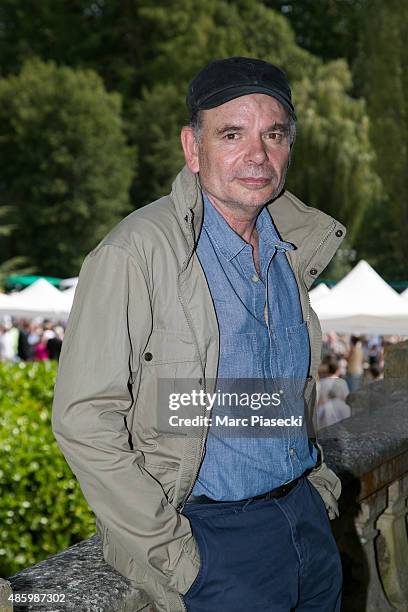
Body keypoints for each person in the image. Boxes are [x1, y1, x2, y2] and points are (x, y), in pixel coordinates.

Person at [52, 57, 346, 612]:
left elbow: (267, 397)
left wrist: (316, 489)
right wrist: (176, 553)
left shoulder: (290, 250)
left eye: (274, 134)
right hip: (212, 541)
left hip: (304, 525)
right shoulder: (136, 251)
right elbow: (84, 418)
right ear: (193, 148)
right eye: (231, 134)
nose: (257, 155)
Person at [316, 355, 351, 429]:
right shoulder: (342, 382)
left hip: (324, 418)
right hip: (339, 417)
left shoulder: (321, 383)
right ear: (337, 369)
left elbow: (318, 402)